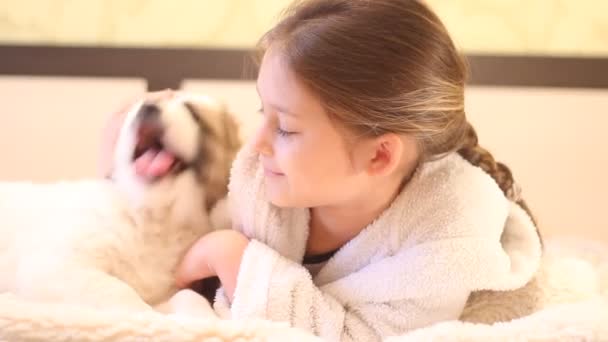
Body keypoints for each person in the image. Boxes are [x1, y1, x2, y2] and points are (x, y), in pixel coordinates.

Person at [101, 0, 542, 340]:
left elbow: (364, 336)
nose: (256, 144)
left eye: (287, 129)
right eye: (262, 112)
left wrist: (232, 257)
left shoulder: (446, 235)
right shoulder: (264, 179)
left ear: (379, 156)